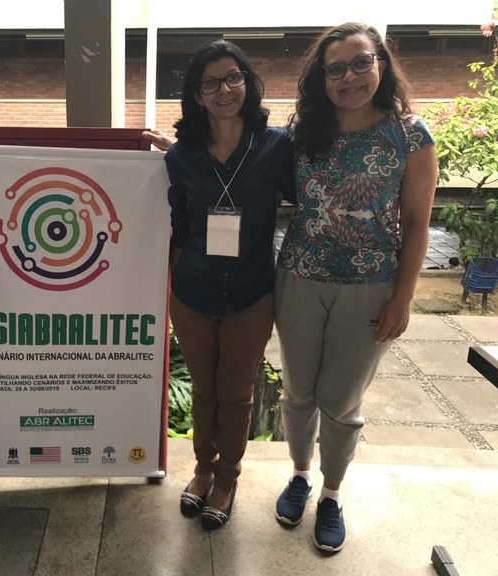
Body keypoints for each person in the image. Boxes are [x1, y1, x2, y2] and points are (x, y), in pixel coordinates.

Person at [273, 22, 437, 553]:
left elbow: (417, 224)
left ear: (381, 65)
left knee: (341, 401)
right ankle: (300, 475)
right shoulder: (304, 132)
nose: (349, 77)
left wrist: (403, 298)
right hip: (299, 277)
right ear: (321, 79)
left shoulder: (410, 134)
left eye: (361, 63)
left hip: (370, 285)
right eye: (336, 69)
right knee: (298, 391)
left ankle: (331, 494)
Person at [164, 40, 295, 530]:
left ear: (248, 82)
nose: (225, 89)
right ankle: (202, 470)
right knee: (203, 391)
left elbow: (309, 197)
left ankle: (227, 478)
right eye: (211, 82)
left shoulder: (277, 147)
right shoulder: (181, 156)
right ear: (197, 95)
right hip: (193, 293)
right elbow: (179, 225)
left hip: (250, 296)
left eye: (233, 77)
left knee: (236, 396)